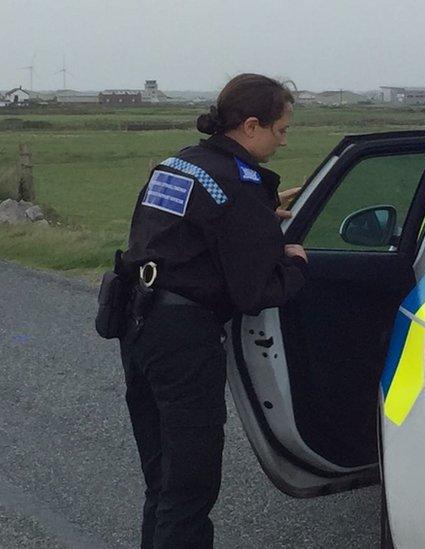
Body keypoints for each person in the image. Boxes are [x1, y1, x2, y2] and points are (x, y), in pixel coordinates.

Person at [119, 73, 308, 548]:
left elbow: (194, 227)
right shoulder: (237, 185)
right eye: (280, 130)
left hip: (136, 323)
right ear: (250, 125)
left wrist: (259, 216)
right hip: (184, 340)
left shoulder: (178, 164)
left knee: (163, 480)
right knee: (191, 487)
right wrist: (295, 265)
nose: (283, 141)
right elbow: (254, 290)